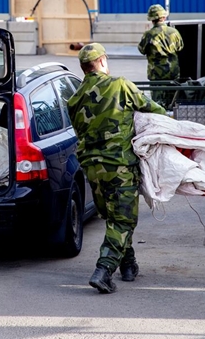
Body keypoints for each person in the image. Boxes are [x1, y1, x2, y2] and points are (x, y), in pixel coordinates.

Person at [67, 43, 166, 294]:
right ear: (101, 61)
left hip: (92, 168)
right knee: (123, 220)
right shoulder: (119, 84)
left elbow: (81, 133)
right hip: (119, 166)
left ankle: (129, 265)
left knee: (113, 219)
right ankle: (103, 270)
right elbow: (153, 110)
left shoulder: (74, 99)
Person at [138, 4, 184, 108]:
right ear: (164, 17)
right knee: (173, 105)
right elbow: (180, 47)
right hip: (173, 72)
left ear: (152, 19)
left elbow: (142, 50)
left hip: (156, 75)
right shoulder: (174, 32)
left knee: (157, 106)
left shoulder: (148, 34)